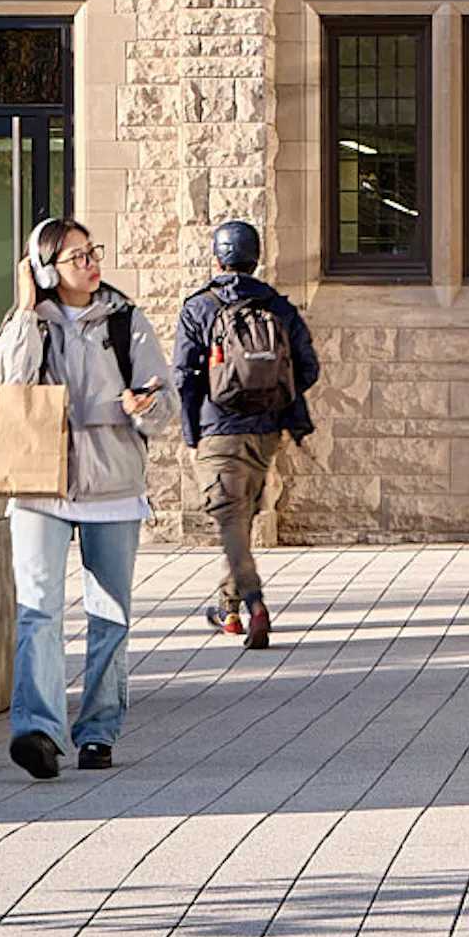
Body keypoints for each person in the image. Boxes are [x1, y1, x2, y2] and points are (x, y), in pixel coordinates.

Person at [0, 217, 170, 777]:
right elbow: (7, 388)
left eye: (92, 252)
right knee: (37, 610)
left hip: (112, 486)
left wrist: (146, 406)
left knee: (109, 613)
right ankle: (37, 731)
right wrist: (23, 313)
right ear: (44, 270)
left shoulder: (125, 319)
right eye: (76, 257)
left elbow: (165, 402)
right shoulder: (25, 324)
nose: (91, 264)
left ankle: (97, 731)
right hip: (40, 486)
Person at [172, 217, 316, 649]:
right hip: (267, 429)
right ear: (255, 259)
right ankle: (227, 610)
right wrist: (273, 396)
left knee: (232, 521)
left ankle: (254, 603)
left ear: (217, 258)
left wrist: (191, 431)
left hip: (218, 428)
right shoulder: (278, 307)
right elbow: (308, 367)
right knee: (241, 518)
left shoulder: (199, 307)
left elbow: (183, 376)